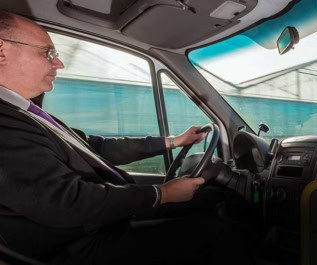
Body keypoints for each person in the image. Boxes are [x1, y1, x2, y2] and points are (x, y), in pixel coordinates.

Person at [0, 12, 254, 264]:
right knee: (213, 230)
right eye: (48, 53)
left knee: (213, 199)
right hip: (76, 246)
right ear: (2, 51)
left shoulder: (27, 113)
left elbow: (97, 148)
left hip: (97, 223)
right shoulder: (5, 124)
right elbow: (66, 202)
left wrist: (173, 141)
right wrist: (161, 193)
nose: (59, 64)